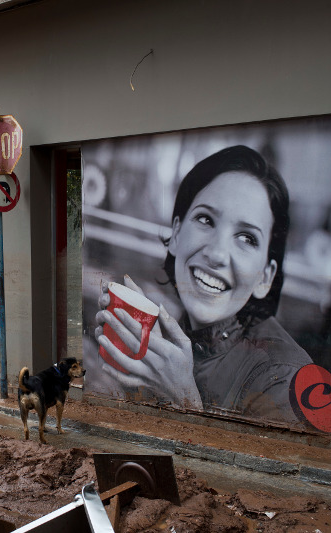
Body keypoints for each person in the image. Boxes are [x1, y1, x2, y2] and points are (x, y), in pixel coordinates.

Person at [95, 145, 311, 425]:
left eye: (246, 238)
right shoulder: (178, 328)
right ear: (175, 234)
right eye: (206, 219)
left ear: (265, 277)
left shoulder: (285, 379)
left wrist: (181, 399)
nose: (217, 254)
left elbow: (252, 471)